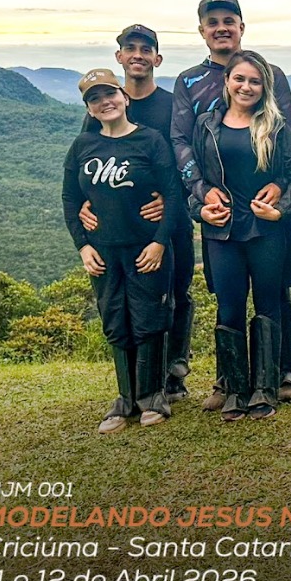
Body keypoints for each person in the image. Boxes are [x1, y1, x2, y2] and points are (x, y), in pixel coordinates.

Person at [170, 0, 291, 411]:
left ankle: (277, 378)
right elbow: (181, 142)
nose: (221, 27)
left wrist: (281, 193)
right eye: (213, 21)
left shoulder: (274, 75)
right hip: (219, 218)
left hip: (266, 219)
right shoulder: (190, 82)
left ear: (241, 26)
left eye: (230, 20)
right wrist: (199, 193)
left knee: (272, 295)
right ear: (202, 30)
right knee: (226, 300)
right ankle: (230, 382)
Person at [62, 68, 185, 432]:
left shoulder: (149, 141)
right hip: (104, 251)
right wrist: (83, 246)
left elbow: (173, 193)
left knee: (150, 319)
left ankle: (152, 397)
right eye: (95, 98)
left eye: (110, 94)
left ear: (124, 97)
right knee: (115, 320)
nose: (105, 102)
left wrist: (160, 242)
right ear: (90, 107)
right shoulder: (83, 145)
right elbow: (71, 197)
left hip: (146, 247)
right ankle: (125, 398)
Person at [77, 25, 193, 405]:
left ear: (157, 59)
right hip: (124, 228)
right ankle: (142, 383)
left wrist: (168, 199)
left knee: (176, 294)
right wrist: (85, 202)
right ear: (120, 57)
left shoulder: (170, 104)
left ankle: (174, 371)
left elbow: (183, 153)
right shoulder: (102, 107)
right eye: (131, 48)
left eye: (146, 49)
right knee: (130, 301)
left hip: (168, 221)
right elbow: (89, 161)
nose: (138, 55)